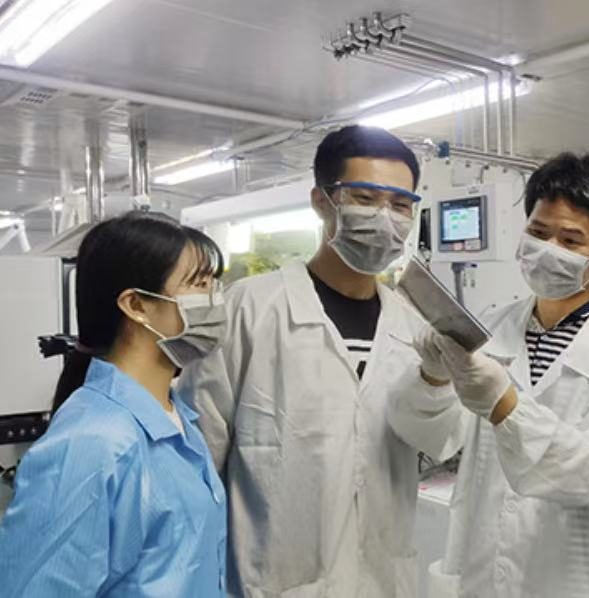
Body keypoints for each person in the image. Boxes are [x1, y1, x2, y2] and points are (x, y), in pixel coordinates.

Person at [180, 125, 464, 597]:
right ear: (321, 201)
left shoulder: (412, 325)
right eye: (365, 199)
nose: (385, 218)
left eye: (400, 205)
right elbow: (198, 460)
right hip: (272, 581)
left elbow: (439, 441)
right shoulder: (248, 310)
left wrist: (438, 379)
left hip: (381, 581)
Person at [391, 152, 589, 597]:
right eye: (538, 233)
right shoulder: (493, 326)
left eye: (570, 240)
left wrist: (506, 406)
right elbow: (436, 438)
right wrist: (433, 377)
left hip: (573, 578)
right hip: (483, 570)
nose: (548, 251)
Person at [0, 212, 228, 596]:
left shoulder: (176, 420)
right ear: (136, 305)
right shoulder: (93, 444)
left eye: (214, 284)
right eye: (198, 284)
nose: (215, 299)